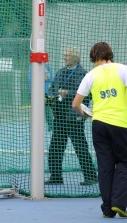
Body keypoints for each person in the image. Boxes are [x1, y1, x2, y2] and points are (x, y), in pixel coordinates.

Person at [73, 42, 127, 218]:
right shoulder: (122, 69)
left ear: (93, 56)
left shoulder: (90, 75)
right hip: (120, 123)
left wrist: (86, 113)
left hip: (99, 124)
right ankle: (119, 202)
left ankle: (107, 208)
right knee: (125, 163)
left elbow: (76, 104)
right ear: (110, 54)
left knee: (105, 166)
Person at [45, 47, 97, 185]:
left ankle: (90, 176)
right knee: (55, 147)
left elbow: (86, 94)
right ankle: (56, 176)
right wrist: (53, 95)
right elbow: (52, 89)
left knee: (80, 148)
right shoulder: (60, 72)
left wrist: (68, 93)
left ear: (76, 57)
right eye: (64, 55)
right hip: (60, 116)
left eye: (68, 55)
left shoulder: (83, 74)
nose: (65, 57)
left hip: (74, 117)